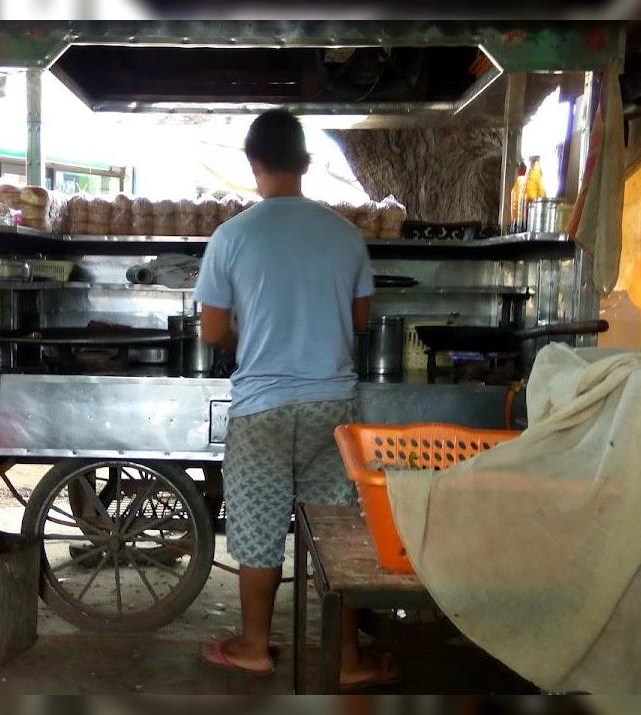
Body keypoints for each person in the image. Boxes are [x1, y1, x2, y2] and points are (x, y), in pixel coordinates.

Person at [195, 109, 399, 689]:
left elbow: (212, 331)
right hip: (331, 408)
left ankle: (254, 647)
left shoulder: (231, 236)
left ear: (253, 164)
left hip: (261, 409)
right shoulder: (345, 234)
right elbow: (360, 320)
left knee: (258, 528)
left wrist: (248, 339)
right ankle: (347, 658)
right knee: (333, 534)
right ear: (306, 163)